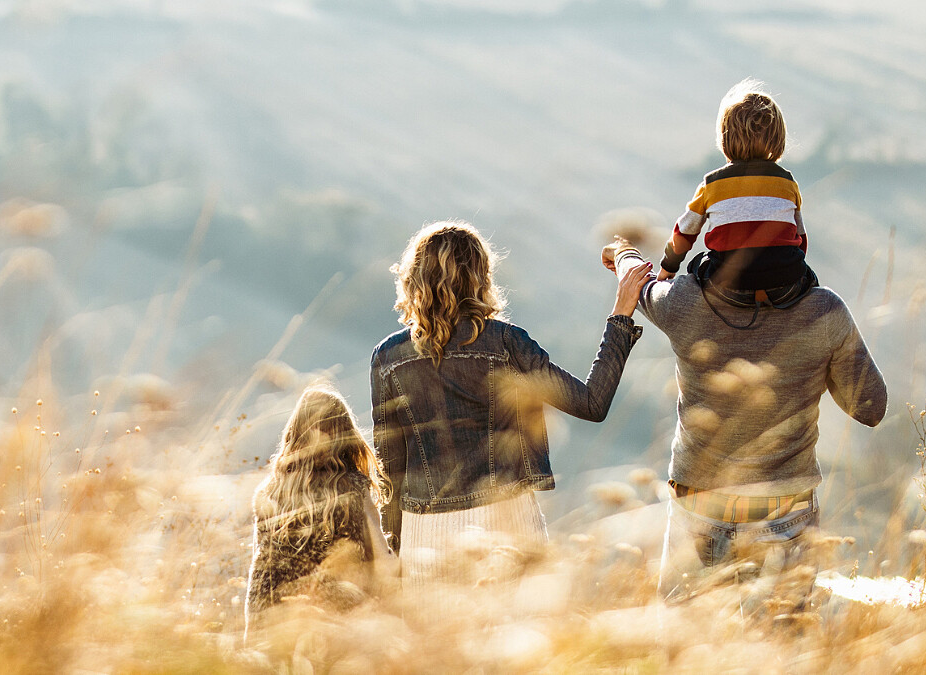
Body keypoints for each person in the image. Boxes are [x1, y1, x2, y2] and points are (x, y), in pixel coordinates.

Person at [602, 236, 886, 606]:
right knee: (782, 637)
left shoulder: (685, 300)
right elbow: (870, 409)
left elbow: (638, 282)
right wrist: (818, 356)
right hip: (785, 512)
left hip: (699, 507)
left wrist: (622, 251)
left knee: (686, 639)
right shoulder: (823, 309)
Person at [371, 220, 651, 585]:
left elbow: (390, 467)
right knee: (519, 622)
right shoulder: (507, 342)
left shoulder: (388, 357)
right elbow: (592, 404)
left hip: (424, 535)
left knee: (437, 625)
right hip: (507, 521)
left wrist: (394, 547)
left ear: (413, 279)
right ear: (480, 278)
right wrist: (621, 314)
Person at [246, 386, 390, 635]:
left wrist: (252, 633)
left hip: (274, 622)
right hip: (336, 620)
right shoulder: (354, 488)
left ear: (295, 433)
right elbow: (383, 562)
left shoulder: (268, 492)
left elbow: (259, 570)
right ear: (345, 434)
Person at [658, 78, 813, 293]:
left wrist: (668, 267)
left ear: (725, 137)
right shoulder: (787, 182)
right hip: (784, 279)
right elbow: (800, 239)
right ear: (778, 138)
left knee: (698, 264)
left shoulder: (712, 184)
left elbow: (684, 232)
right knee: (810, 278)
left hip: (726, 282)